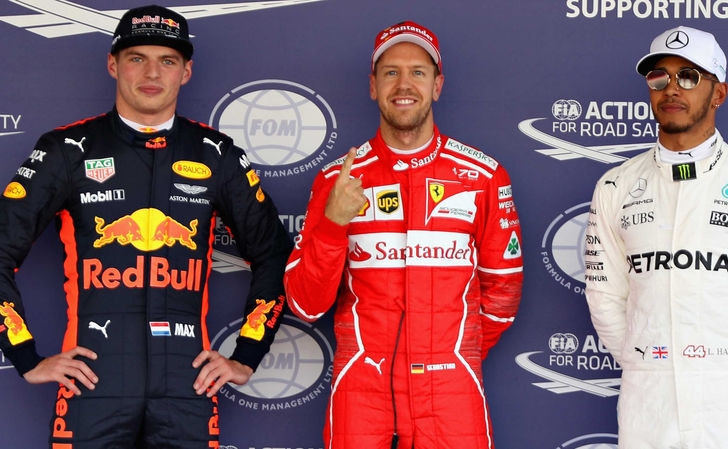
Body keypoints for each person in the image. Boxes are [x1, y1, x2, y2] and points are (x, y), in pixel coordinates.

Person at [0, 5, 292, 448]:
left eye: (168, 60)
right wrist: (23, 355)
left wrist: (247, 354)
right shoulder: (66, 150)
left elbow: (273, 253)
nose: (152, 72)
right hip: (91, 384)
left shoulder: (215, 154)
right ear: (113, 64)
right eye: (137, 57)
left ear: (186, 72)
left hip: (189, 386)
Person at [283, 20, 524, 449]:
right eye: (390, 72)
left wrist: (452, 355)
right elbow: (305, 304)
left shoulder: (483, 175)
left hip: (452, 391)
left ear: (437, 85)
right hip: (362, 390)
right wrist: (334, 224)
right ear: (373, 86)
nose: (404, 84)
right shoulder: (336, 180)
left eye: (418, 71)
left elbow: (503, 295)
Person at [584, 26, 728, 448]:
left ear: (718, 93)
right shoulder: (616, 186)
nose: (671, 89)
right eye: (659, 77)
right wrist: (648, 366)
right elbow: (604, 296)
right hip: (648, 410)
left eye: (689, 76)